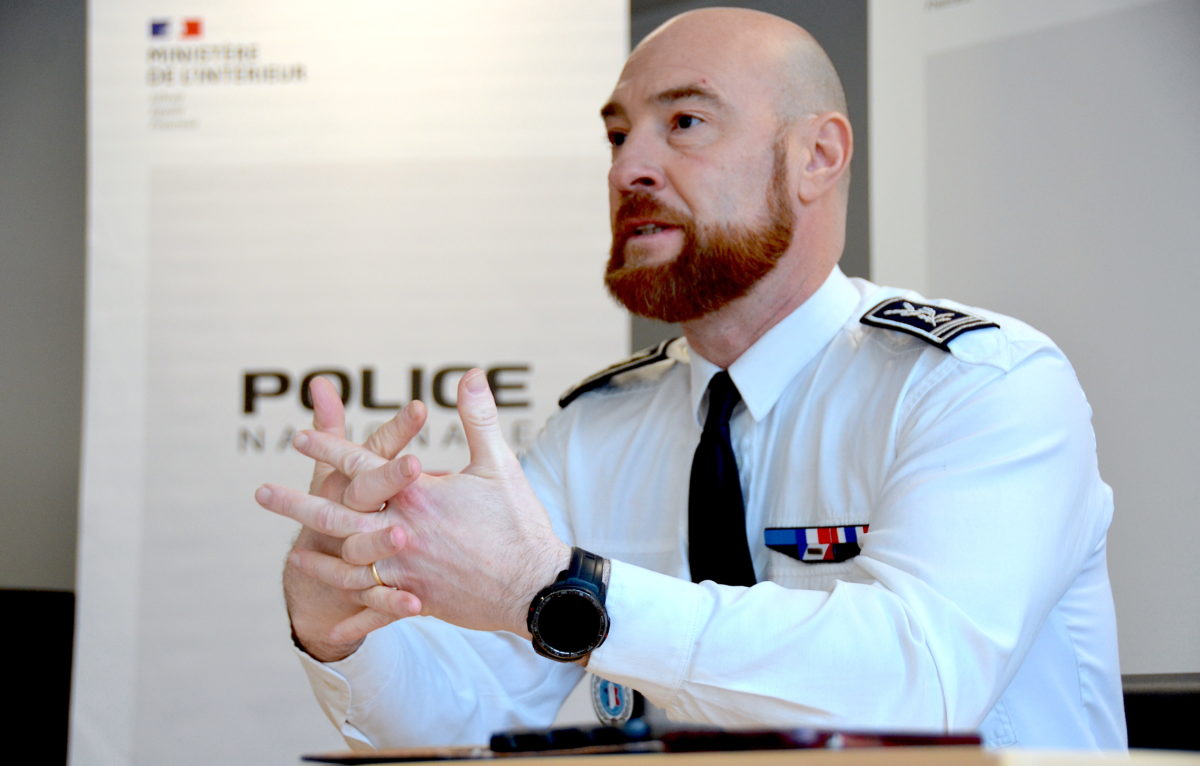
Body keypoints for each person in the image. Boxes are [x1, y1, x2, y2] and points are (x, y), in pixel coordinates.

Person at [255, 7, 1126, 752]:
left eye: (685, 124)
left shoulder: (979, 384)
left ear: (817, 155)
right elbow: (463, 721)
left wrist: (569, 593)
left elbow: (919, 687)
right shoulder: (598, 431)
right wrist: (339, 636)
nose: (628, 166)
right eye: (616, 133)